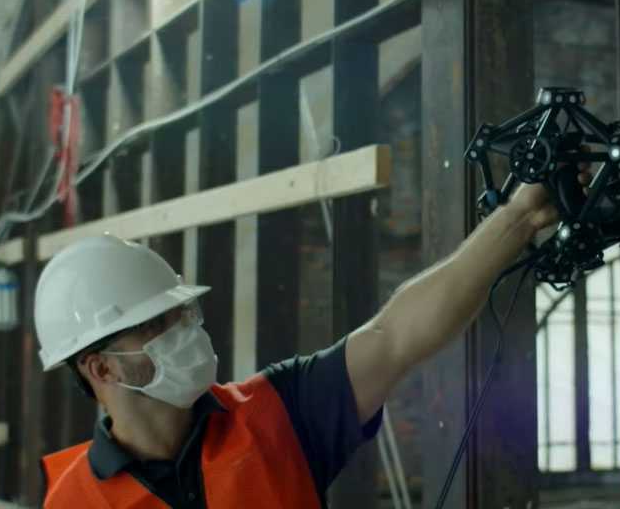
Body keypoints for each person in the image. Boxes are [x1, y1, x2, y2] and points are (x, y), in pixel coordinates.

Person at [35, 177, 582, 508]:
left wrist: (519, 216)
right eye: (158, 324)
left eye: (185, 313)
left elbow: (394, 337)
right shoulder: (72, 504)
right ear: (102, 369)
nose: (188, 332)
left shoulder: (276, 412)